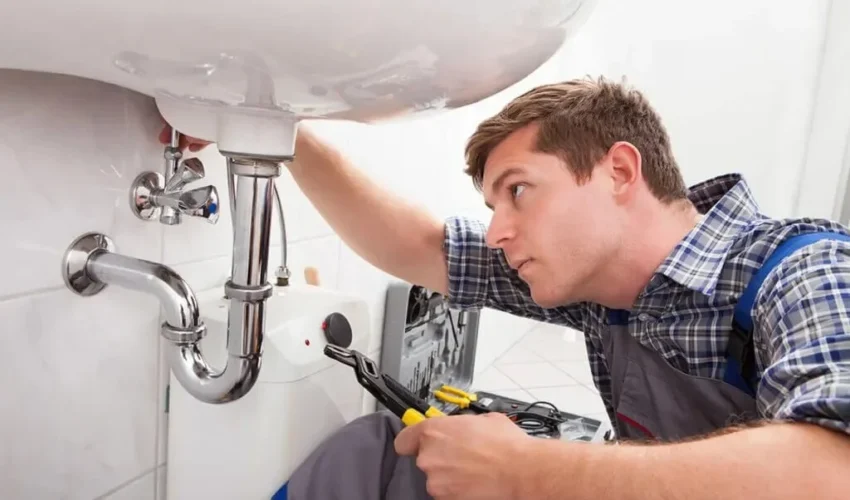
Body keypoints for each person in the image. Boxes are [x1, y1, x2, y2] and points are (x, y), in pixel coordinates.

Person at [162, 76, 850, 499]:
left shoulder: (805, 271)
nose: (498, 232)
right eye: (494, 207)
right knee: (378, 452)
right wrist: (270, 131)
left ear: (618, 171)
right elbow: (422, 246)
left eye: (518, 192)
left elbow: (831, 476)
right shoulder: (598, 289)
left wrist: (533, 472)